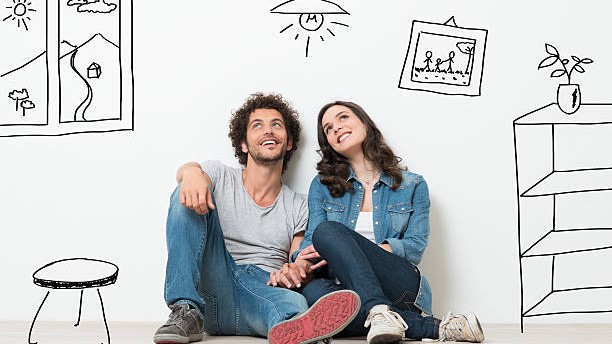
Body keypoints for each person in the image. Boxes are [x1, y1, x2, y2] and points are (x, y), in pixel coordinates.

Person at [268, 100, 484, 344]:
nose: (336, 128)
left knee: (329, 231)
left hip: (401, 286)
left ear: (365, 123)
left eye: (343, 118)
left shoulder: (412, 185)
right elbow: (311, 244)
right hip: (345, 291)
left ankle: (379, 308)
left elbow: (414, 247)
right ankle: (431, 327)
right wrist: (298, 264)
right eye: (328, 128)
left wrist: (349, 249)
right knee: (315, 292)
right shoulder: (322, 186)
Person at [153, 93, 360, 344]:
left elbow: (298, 259)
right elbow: (188, 177)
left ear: (289, 142)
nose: (268, 131)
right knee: (185, 194)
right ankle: (184, 309)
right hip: (213, 284)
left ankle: (298, 327)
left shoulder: (299, 206)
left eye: (276, 124)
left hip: (261, 293)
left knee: (294, 302)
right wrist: (191, 171)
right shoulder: (219, 175)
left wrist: (296, 270)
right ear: (243, 144)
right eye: (257, 125)